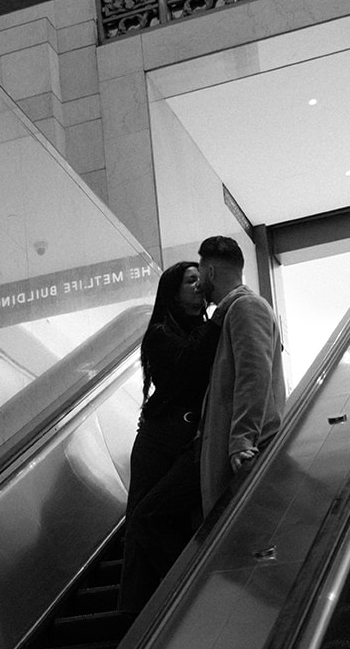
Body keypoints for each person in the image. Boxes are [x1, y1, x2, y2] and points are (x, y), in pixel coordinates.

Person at [118, 260, 220, 612]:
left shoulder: (209, 328)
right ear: (173, 293)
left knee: (154, 517)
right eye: (190, 280)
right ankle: (136, 614)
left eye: (200, 280)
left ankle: (176, 598)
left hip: (186, 440)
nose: (198, 285)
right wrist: (221, 317)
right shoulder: (161, 333)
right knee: (139, 523)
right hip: (157, 440)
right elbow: (187, 366)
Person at [196, 234, 286, 514]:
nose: (199, 283)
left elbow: (253, 375)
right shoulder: (230, 313)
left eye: (200, 272)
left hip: (247, 453)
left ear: (210, 271)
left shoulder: (247, 307)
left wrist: (243, 439)